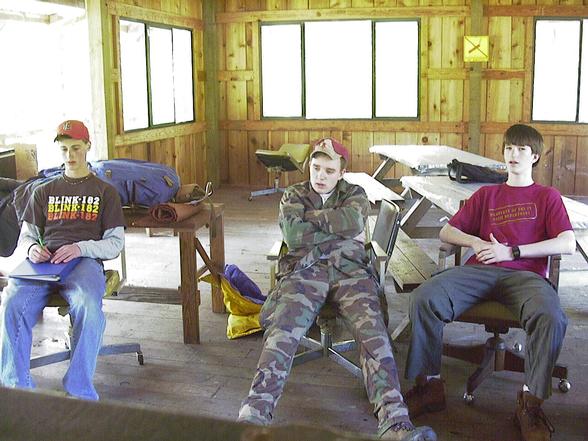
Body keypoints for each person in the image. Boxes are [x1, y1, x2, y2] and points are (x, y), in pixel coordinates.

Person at [237, 138, 436, 441]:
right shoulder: (294, 194)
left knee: (373, 333)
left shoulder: (355, 194)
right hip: (304, 271)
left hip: (351, 272)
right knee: (282, 330)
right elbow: (294, 235)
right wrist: (337, 231)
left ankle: (395, 424)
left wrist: (311, 220)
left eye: (329, 171)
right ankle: (254, 415)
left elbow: (353, 221)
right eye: (316, 168)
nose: (320, 176)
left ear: (342, 172)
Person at [404, 124, 575, 441]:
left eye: (521, 149)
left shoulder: (546, 197)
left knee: (550, 316)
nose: (513, 154)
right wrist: (474, 242)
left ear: (535, 156)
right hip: (480, 272)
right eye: (509, 148)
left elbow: (567, 243)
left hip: (525, 276)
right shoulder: (487, 195)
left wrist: (512, 251)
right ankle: (429, 386)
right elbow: (446, 232)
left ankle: (530, 404)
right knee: (424, 298)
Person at [0, 120, 126, 400]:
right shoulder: (43, 191)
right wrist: (32, 249)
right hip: (44, 264)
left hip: (83, 262)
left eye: (76, 148)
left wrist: (80, 248)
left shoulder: (105, 192)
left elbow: (115, 244)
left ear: (88, 146)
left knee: (88, 306)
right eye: (65, 149)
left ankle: (79, 390)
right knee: (12, 302)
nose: (70, 155)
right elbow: (27, 237)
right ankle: (16, 389)